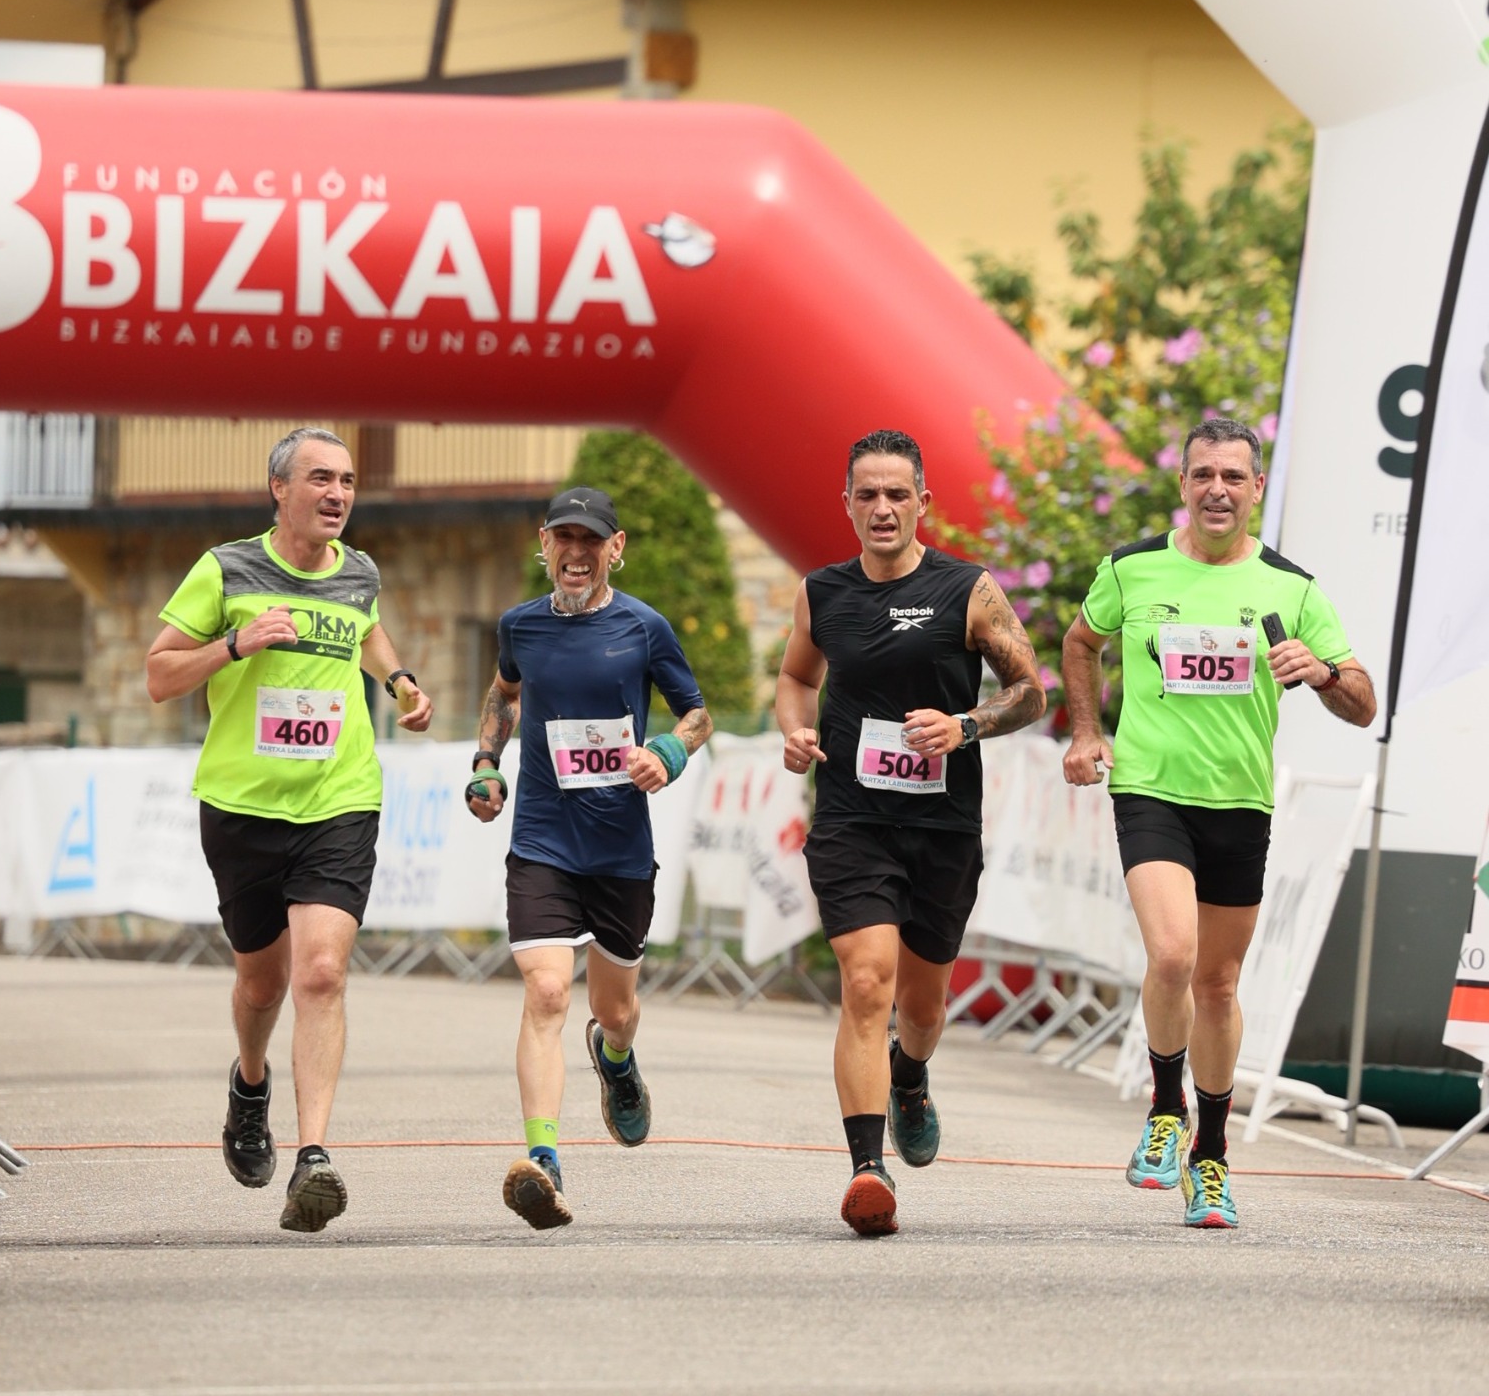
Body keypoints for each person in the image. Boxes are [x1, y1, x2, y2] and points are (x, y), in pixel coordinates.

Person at [1062, 417, 1375, 1229]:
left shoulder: (1290, 587)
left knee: (1219, 983)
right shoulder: (1132, 569)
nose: (1217, 490)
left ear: (1257, 489)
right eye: (1203, 474)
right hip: (1151, 791)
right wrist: (1089, 731)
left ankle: (1212, 1156)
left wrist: (1323, 669)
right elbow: (1080, 640)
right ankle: (1165, 1110)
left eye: (1233, 477)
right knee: (1172, 954)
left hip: (1239, 803)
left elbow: (1362, 700)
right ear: (1182, 485)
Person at [146, 426, 433, 1234]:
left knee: (320, 973)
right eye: (320, 478)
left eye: (346, 480)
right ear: (280, 489)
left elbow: (367, 627)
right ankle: (248, 1082)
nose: (338, 493)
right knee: (261, 984)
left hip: (339, 799)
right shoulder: (225, 569)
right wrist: (235, 642)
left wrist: (400, 679)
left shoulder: (361, 572)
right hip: (241, 806)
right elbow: (158, 674)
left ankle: (313, 1155)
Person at [776, 429, 1046, 1236]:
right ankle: (867, 1170)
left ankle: (912, 1075)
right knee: (867, 982)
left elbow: (1030, 691)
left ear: (923, 502)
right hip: (853, 819)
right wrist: (794, 730)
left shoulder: (968, 589)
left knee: (922, 1008)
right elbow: (796, 676)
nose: (883, 508)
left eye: (899, 494)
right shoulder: (822, 592)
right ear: (848, 503)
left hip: (942, 827)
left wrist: (965, 724)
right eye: (869, 494)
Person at [465, 485, 711, 1230]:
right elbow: (504, 695)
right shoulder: (520, 626)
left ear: (616, 547)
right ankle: (543, 1157)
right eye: (563, 539)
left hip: (620, 850)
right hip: (542, 839)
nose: (576, 553)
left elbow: (696, 714)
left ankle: (615, 1056)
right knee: (545, 992)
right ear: (543, 543)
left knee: (616, 1008)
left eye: (591, 540)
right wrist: (485, 760)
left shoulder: (645, 627)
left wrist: (668, 750)